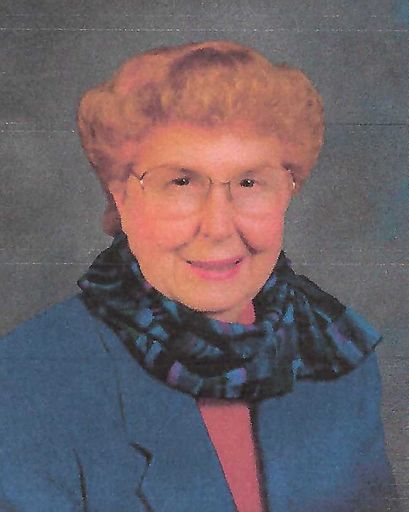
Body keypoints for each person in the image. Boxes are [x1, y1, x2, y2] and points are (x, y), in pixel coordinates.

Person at [0, 40, 400, 512]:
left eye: (249, 182)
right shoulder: (28, 380)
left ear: (289, 189)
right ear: (120, 197)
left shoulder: (333, 356)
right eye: (181, 182)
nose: (218, 226)